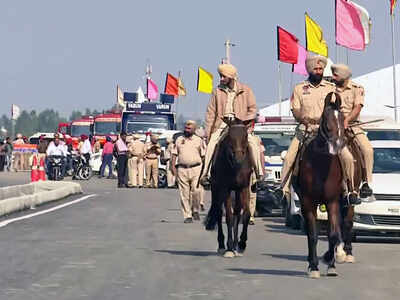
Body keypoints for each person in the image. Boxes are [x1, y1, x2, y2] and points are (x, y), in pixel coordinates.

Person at [199, 63, 265, 191]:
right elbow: (211, 113)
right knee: (212, 144)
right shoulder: (217, 91)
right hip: (222, 123)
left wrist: (245, 122)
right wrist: (209, 132)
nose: (221, 79)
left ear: (231, 77)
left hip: (240, 125)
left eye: (223, 76)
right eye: (220, 76)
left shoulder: (246, 90)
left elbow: (252, 109)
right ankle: (205, 174)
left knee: (253, 144)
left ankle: (259, 175)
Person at [279, 55, 335, 201]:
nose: (318, 71)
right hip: (305, 129)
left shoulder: (331, 88)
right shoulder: (299, 88)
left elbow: (335, 109)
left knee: (344, 155)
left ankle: (350, 189)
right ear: (310, 70)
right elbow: (295, 109)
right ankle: (283, 189)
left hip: (326, 131)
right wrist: (303, 119)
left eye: (320, 69)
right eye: (315, 69)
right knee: (289, 158)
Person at [331, 63, 374, 204]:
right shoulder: (330, 89)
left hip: (353, 126)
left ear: (343, 76)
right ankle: (287, 187)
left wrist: (348, 120)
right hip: (335, 128)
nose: (333, 77)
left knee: (367, 149)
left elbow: (357, 107)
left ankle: (366, 183)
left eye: (335, 75)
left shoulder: (357, 89)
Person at [171, 120, 205, 223]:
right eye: (186, 128)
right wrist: (173, 168)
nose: (187, 129)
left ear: (194, 129)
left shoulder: (199, 140)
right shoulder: (179, 140)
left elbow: (203, 156)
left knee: (196, 191)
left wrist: (204, 171)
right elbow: (174, 155)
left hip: (196, 168)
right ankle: (187, 215)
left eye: (189, 128)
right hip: (182, 169)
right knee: (184, 194)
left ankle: (195, 209)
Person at [249, 126, 266, 225]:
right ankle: (208, 173)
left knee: (252, 193)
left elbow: (261, 155)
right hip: (234, 128)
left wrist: (262, 170)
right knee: (214, 141)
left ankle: (250, 215)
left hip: (252, 171)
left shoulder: (256, 139)